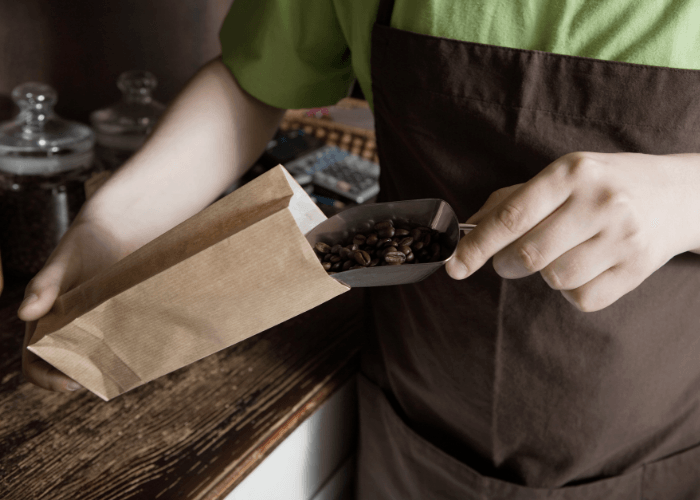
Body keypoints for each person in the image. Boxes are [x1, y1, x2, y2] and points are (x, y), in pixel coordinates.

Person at [19, 0, 700, 498]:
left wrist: (686, 196)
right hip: (413, 428)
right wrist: (110, 228)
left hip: (663, 450)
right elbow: (255, 82)